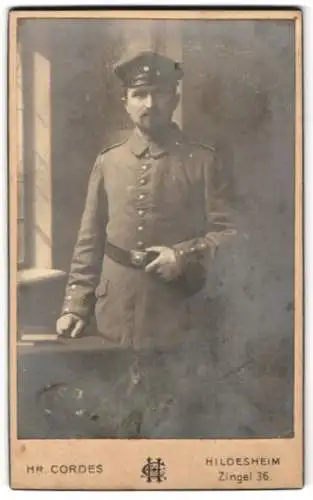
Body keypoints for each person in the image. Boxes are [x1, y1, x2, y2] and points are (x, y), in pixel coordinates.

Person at [56, 50, 237, 438]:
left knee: (172, 422)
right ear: (125, 102)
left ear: (174, 98)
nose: (149, 103)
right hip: (113, 315)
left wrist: (184, 256)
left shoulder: (203, 162)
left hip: (178, 314)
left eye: (159, 93)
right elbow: (89, 241)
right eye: (139, 93)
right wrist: (75, 305)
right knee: (117, 420)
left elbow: (231, 234)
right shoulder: (108, 162)